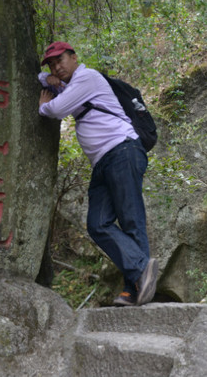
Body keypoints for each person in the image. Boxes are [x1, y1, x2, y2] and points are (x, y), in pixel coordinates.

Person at [37, 41, 158, 307]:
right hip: (103, 161)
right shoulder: (72, 84)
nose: (57, 66)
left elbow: (56, 110)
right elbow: (43, 79)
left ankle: (134, 287)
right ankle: (139, 273)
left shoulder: (87, 77)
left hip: (122, 150)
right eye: (52, 63)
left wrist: (43, 105)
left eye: (61, 60)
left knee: (130, 219)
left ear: (74, 57)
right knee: (97, 223)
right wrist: (46, 78)